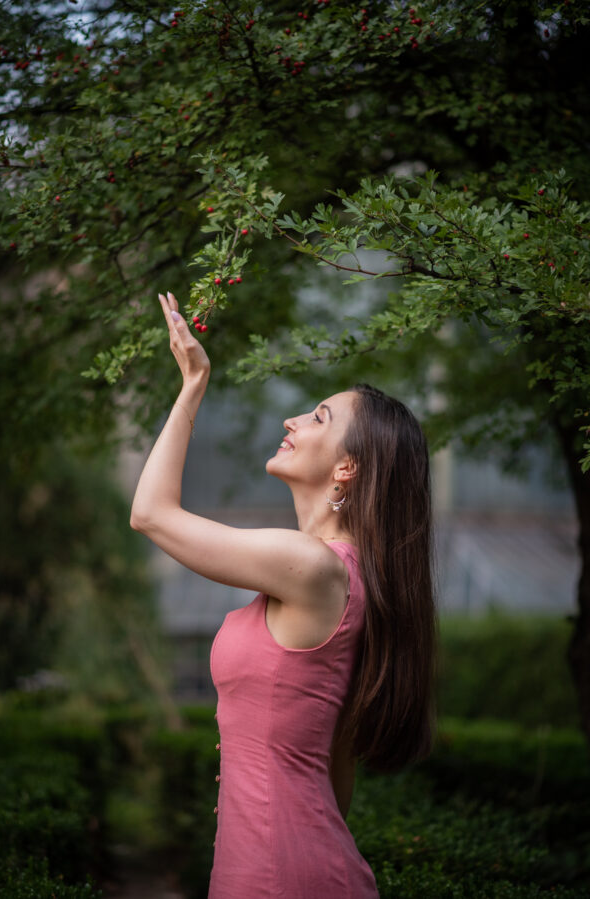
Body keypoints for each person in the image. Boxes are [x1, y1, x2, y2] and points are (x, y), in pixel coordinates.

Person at [131, 291, 439, 898]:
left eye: (319, 417)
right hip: (287, 862)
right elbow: (336, 768)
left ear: (348, 467)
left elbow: (151, 514)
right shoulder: (342, 578)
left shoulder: (311, 566)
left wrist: (193, 383)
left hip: (275, 872)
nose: (292, 421)